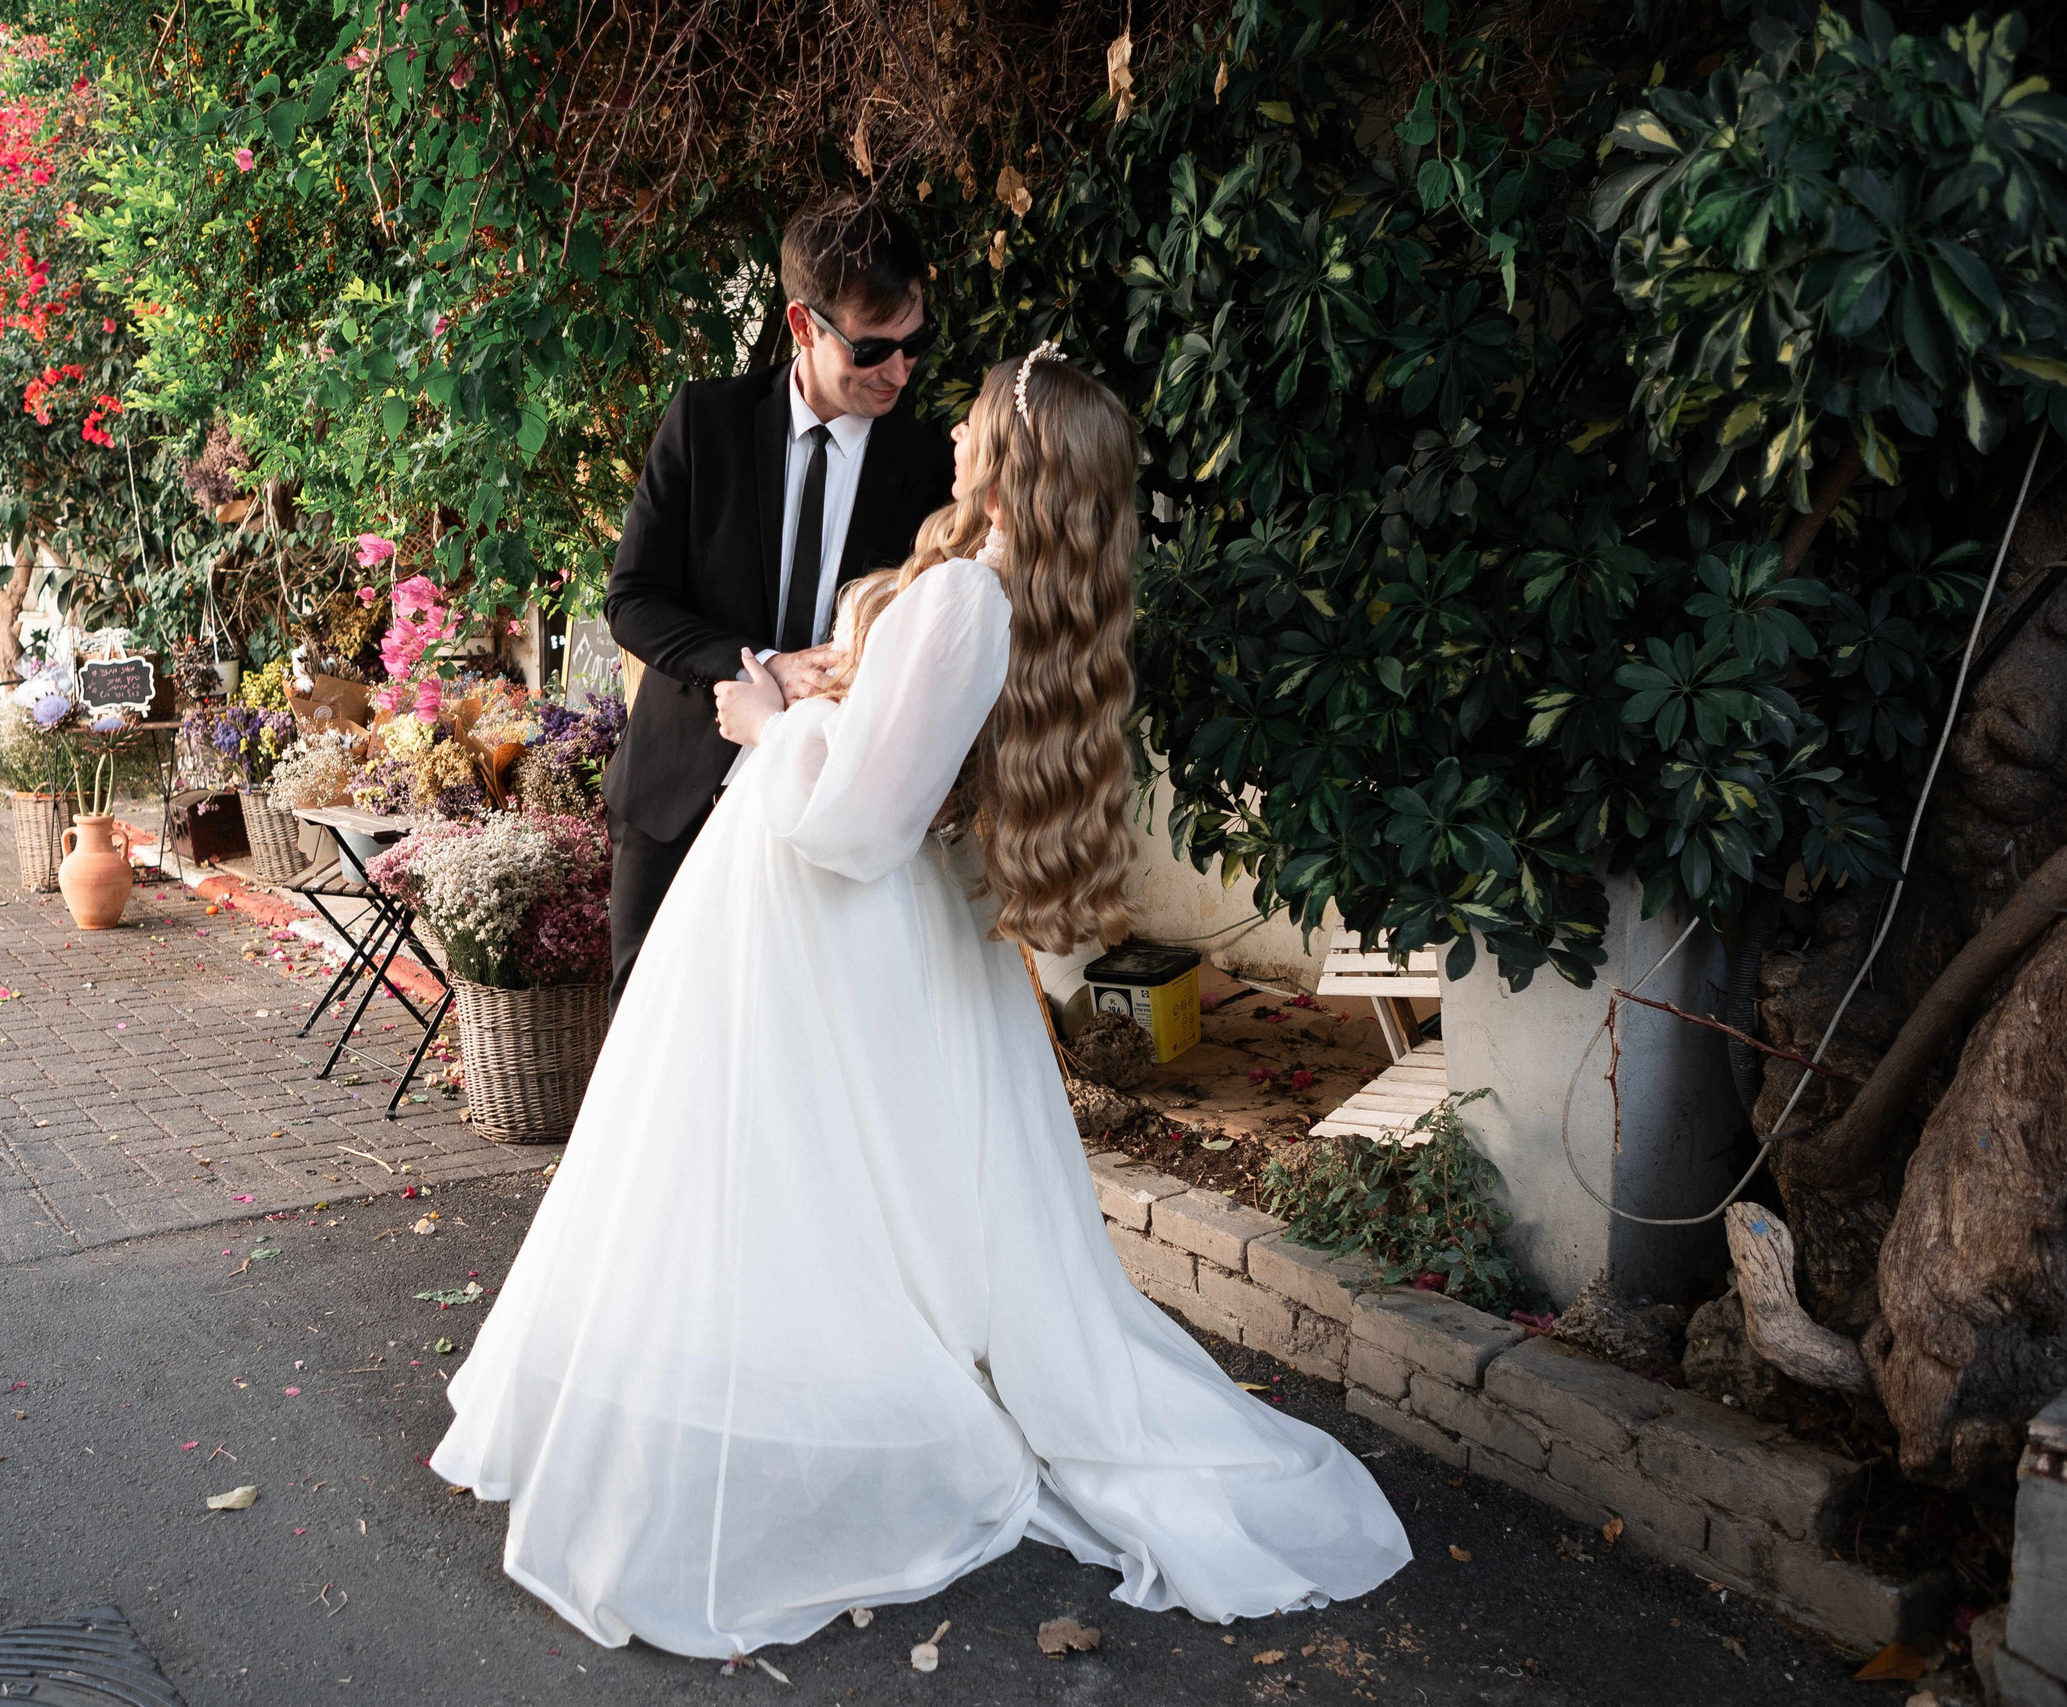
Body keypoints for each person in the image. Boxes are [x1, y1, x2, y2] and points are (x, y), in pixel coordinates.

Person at [430, 347, 1411, 1657]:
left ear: (1009, 457)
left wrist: (766, 725)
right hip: (886, 932)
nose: (946, 423)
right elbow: (908, 744)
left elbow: (860, 824)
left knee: (789, 1171)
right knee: (859, 1175)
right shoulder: (1006, 598)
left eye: (971, 413)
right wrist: (817, 679)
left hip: (830, 917)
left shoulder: (961, 596)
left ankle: (819, 1411)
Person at [599, 194, 956, 1005]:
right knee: (647, 1054)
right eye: (873, 350)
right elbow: (633, 597)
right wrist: (758, 665)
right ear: (803, 325)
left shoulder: (935, 465)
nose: (900, 371)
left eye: (915, 344)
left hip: (829, 818)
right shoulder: (706, 422)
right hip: (678, 796)